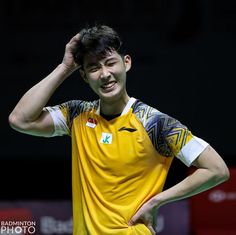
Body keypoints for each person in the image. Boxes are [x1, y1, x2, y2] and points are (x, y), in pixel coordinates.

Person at [9, 24, 230, 235]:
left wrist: (157, 201)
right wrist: (64, 68)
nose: (104, 74)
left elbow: (216, 169)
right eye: (94, 67)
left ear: (127, 63)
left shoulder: (155, 122)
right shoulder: (77, 115)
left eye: (110, 63)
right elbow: (21, 119)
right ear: (84, 76)